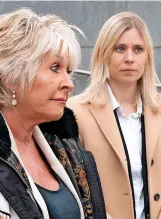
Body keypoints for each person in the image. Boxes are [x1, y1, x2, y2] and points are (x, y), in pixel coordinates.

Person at [0, 8, 107, 219]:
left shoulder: (64, 147)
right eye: (55, 67)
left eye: (69, 71)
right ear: (10, 76)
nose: (68, 84)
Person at [67, 11, 161, 219]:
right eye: (120, 48)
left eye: (138, 49)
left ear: (147, 57)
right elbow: (73, 190)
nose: (129, 58)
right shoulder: (75, 112)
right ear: (104, 53)